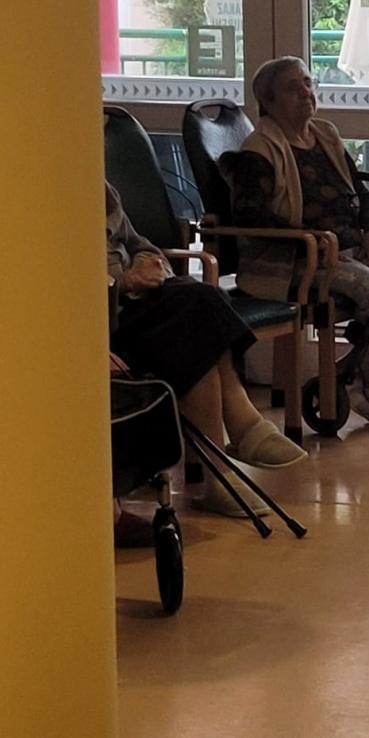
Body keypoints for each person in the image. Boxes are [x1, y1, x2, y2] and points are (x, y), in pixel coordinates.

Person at [107, 181, 306, 520]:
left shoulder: (101, 190)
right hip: (100, 316)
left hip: (134, 302)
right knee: (196, 310)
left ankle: (225, 468)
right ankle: (240, 434)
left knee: (201, 309)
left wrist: (146, 265)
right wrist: (126, 281)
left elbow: (142, 245)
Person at [227, 55, 369, 425]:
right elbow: (248, 216)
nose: (306, 93)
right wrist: (311, 240)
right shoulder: (258, 151)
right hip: (296, 262)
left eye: (308, 83)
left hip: (347, 250)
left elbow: (359, 191)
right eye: (294, 88)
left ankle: (347, 373)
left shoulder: (325, 135)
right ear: (268, 101)